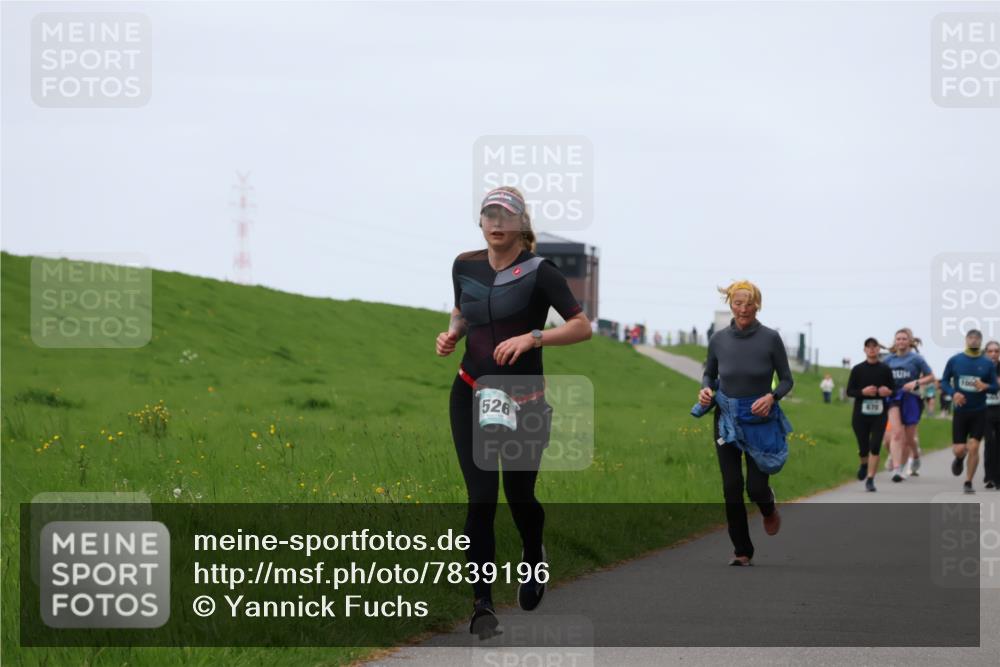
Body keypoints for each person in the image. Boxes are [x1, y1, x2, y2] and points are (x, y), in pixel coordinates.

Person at [436, 186, 592, 638]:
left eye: (505, 215)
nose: (496, 222)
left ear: (522, 223)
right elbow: (462, 312)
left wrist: (533, 338)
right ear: (480, 221)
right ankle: (481, 605)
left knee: (519, 496)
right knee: (481, 498)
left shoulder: (541, 272)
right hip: (470, 393)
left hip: (524, 401)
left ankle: (533, 556)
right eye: (489, 214)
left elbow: (581, 327)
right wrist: (450, 334)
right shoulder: (464, 265)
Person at [698, 280, 794, 566]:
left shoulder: (770, 338)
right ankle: (742, 551)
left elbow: (787, 379)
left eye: (749, 303)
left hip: (759, 419)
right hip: (726, 418)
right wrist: (705, 390)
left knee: (754, 487)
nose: (743, 309)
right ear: (730, 304)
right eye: (737, 303)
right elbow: (709, 375)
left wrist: (772, 397)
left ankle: (768, 508)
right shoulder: (718, 339)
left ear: (757, 305)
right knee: (731, 486)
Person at [939, 329, 999, 494]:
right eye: (971, 338)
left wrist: (986, 386)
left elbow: (995, 387)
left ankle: (968, 481)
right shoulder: (955, 360)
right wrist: (953, 393)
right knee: (959, 449)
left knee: (974, 447)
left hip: (979, 411)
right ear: (966, 340)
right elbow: (944, 381)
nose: (973, 341)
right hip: (961, 412)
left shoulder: (987, 363)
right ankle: (959, 458)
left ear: (981, 342)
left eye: (977, 338)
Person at [883, 329, 935, 482]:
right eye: (898, 339)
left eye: (904, 339)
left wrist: (916, 382)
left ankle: (916, 455)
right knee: (897, 434)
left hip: (911, 398)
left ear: (910, 341)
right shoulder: (888, 360)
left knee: (909, 438)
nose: (901, 341)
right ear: (895, 341)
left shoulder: (917, 359)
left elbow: (931, 376)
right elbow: (880, 376)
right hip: (894, 398)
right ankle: (897, 469)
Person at [845, 338, 894, 492]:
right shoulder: (857, 369)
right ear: (865, 350)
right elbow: (849, 391)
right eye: (869, 347)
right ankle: (864, 464)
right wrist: (863, 392)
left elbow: (893, 389)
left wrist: (887, 391)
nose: (872, 349)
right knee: (863, 446)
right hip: (860, 415)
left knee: (875, 446)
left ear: (879, 350)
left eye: (875, 347)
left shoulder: (885, 369)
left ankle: (871, 479)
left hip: (879, 414)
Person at [983, 340, 1000, 489]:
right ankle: (989, 477)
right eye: (990, 351)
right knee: (990, 443)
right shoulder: (980, 368)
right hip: (985, 409)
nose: (993, 354)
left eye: (996, 351)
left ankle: (998, 477)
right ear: (985, 352)